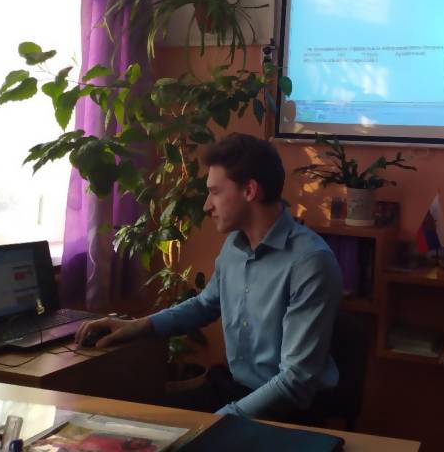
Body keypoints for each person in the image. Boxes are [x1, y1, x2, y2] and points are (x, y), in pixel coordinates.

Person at [76, 133, 343, 421]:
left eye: (215, 192)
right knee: (138, 422)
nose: (206, 206)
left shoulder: (310, 262)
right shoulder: (235, 246)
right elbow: (205, 305)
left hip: (288, 411)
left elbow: (296, 380)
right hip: (236, 390)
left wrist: (218, 421)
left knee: (178, 435)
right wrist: (137, 326)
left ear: (250, 191)